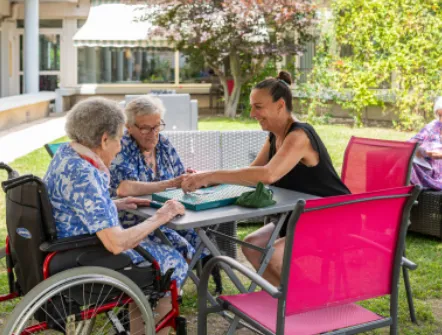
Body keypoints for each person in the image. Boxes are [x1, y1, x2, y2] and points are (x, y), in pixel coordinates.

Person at [181, 71, 350, 286]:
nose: (252, 113)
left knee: (273, 253)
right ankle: (291, 300)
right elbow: (252, 171)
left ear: (280, 105)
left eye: (258, 107)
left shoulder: (299, 136)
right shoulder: (275, 135)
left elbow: (268, 174)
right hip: (301, 217)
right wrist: (205, 177)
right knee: (252, 246)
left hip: (332, 218)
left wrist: (211, 175)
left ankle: (306, 300)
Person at [44, 97, 186, 335]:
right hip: (84, 257)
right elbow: (116, 242)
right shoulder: (84, 174)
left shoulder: (67, 155)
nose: (121, 146)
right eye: (119, 138)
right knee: (170, 257)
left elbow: (76, 205)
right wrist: (161, 216)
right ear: (104, 139)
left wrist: (116, 204)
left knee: (161, 249)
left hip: (67, 249)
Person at [109, 95, 209, 263]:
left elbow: (179, 174)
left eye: (157, 126)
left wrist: (189, 177)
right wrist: (170, 184)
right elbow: (124, 188)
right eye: (145, 128)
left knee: (200, 236)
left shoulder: (163, 143)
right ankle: (178, 280)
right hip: (135, 220)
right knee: (181, 244)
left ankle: (207, 276)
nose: (153, 134)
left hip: (169, 213)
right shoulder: (121, 148)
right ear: (129, 127)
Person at [409, 96, 442, 190]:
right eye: (439, 116)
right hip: (429, 167)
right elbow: (412, 142)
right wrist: (418, 151)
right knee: (407, 163)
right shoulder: (433, 126)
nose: (441, 120)